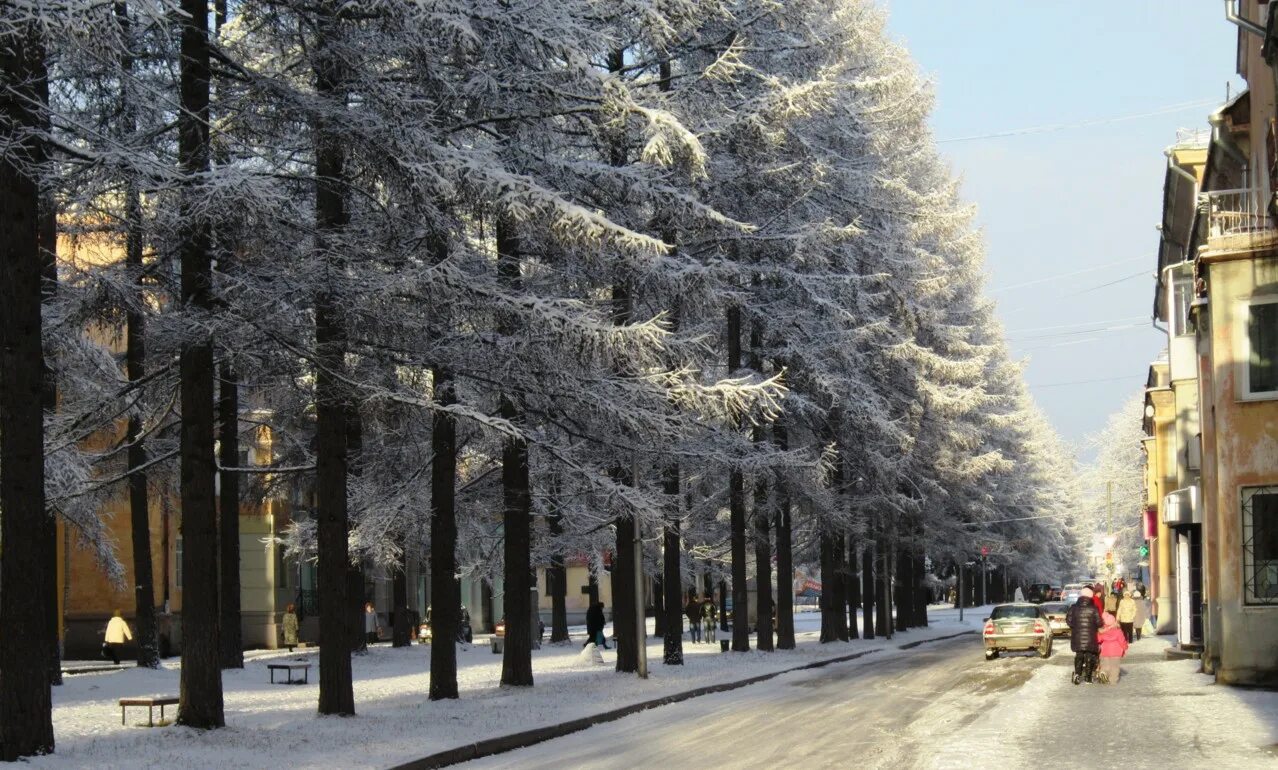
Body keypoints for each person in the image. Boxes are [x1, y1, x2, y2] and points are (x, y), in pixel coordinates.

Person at [1066, 588, 1101, 685]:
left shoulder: (1073, 607)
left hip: (1077, 636)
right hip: (1090, 636)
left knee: (1079, 655)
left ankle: (1077, 674)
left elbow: (1068, 621)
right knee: (1089, 655)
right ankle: (1088, 677)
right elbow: (1099, 623)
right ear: (1090, 596)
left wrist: (1075, 626)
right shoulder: (1094, 608)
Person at [1097, 611, 1129, 683]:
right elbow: (1122, 641)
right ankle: (1113, 680)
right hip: (1116, 652)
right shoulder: (1118, 631)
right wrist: (1125, 647)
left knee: (1105, 665)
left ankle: (1103, 672)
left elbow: (1098, 639)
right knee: (1114, 667)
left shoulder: (1103, 631)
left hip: (1105, 650)